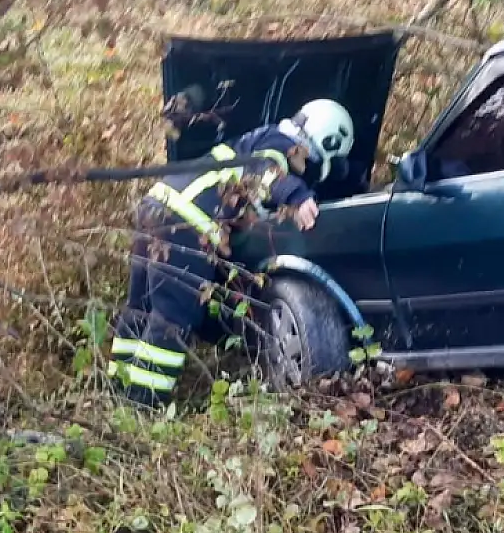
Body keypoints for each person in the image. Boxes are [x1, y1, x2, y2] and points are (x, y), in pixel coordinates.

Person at [108, 98, 356, 408]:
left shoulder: (258, 137)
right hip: (184, 225)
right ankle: (143, 402)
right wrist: (297, 195)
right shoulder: (278, 146)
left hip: (156, 209)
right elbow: (262, 172)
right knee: (173, 317)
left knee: (140, 307)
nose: (309, 170)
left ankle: (118, 389)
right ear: (318, 143)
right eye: (313, 161)